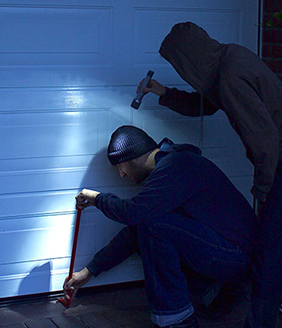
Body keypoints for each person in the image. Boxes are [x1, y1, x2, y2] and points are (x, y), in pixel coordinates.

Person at [136, 21, 282, 328]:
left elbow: (265, 140)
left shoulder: (230, 76)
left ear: (190, 57)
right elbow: (203, 105)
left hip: (279, 162)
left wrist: (265, 189)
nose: (179, 70)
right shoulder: (229, 60)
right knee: (271, 248)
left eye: (178, 63)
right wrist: (162, 92)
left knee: (267, 256)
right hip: (278, 160)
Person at [63, 125, 257, 328]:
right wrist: (89, 271)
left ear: (135, 157)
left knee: (153, 226)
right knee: (148, 227)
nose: (121, 175)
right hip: (227, 253)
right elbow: (134, 230)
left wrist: (98, 199)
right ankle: (215, 294)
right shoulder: (170, 167)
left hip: (237, 256)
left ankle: (177, 321)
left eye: (120, 166)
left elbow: (132, 214)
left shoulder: (177, 167)